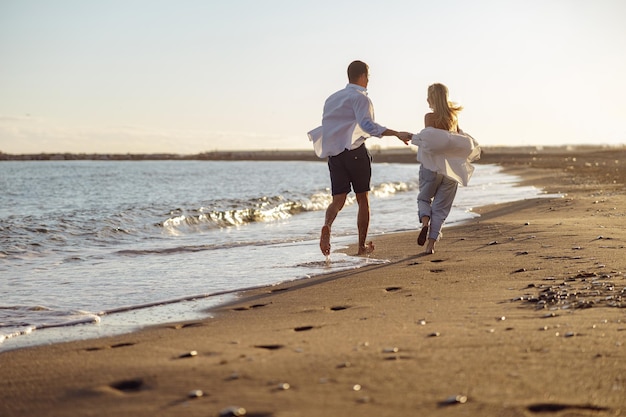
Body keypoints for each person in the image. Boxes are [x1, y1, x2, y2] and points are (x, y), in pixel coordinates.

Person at [308, 60, 411, 257]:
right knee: (362, 199)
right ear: (363, 76)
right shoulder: (361, 98)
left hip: (335, 155)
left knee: (338, 199)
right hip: (355, 153)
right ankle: (361, 246)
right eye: (369, 76)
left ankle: (327, 225)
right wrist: (396, 133)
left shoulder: (331, 99)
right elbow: (368, 126)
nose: (369, 80)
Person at [412, 83, 480, 255]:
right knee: (441, 209)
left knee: (424, 199)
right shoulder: (453, 118)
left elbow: (430, 140)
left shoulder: (429, 117)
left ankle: (425, 223)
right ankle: (431, 246)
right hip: (451, 171)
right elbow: (455, 139)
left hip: (431, 168)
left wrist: (413, 138)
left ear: (431, 99)